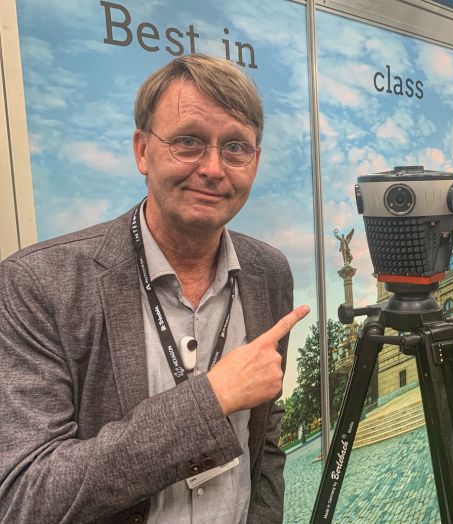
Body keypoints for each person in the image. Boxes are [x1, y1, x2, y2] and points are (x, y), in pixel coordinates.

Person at [0, 54, 309, 523]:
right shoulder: (39, 285)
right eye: (188, 142)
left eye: (235, 147)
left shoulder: (268, 271)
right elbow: (26, 494)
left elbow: (263, 443)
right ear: (142, 150)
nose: (213, 167)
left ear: (255, 161)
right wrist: (212, 399)